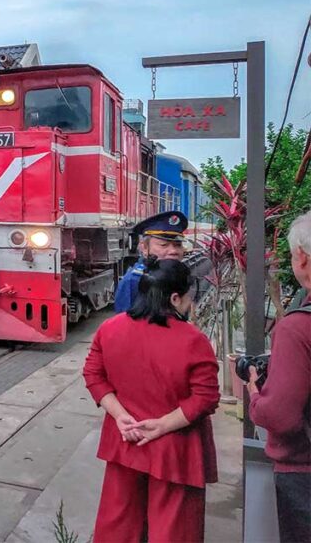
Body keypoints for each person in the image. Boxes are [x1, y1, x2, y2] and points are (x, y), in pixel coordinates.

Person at [84, 257, 219, 543]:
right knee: (173, 529)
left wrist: (120, 415)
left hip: (125, 441)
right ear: (174, 298)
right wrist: (162, 425)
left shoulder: (110, 328)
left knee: (118, 524)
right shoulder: (193, 340)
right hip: (175, 450)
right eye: (187, 297)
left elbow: (93, 375)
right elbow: (206, 398)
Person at [248, 210, 311, 542]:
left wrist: (255, 395)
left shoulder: (297, 328)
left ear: (301, 258)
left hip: (303, 475)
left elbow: (281, 417)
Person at [113, 210, 187, 313]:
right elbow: (124, 325)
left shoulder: (179, 275)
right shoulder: (133, 281)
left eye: (178, 245)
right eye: (164, 245)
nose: (173, 251)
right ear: (144, 247)